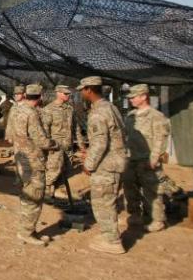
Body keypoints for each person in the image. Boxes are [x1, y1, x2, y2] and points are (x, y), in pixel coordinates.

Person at [77, 76, 128, 255]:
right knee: (109, 201)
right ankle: (110, 236)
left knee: (102, 203)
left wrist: (89, 164)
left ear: (89, 90)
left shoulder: (98, 112)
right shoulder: (111, 107)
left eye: (83, 89)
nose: (82, 93)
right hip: (116, 162)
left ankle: (112, 241)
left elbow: (100, 143)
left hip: (106, 165)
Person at [8, 83, 55, 246]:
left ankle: (28, 229)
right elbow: (40, 139)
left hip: (21, 161)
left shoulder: (17, 111)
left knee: (26, 197)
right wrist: (54, 144)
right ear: (40, 97)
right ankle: (25, 233)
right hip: (33, 162)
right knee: (34, 198)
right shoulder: (32, 114)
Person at [123, 84, 171, 232]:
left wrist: (154, 158)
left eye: (134, 97)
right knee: (130, 190)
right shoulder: (131, 116)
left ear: (144, 96)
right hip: (131, 159)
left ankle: (157, 220)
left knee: (152, 191)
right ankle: (135, 215)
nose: (131, 100)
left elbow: (160, 139)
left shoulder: (156, 116)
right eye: (130, 97)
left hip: (147, 160)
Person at [40, 84, 85, 203]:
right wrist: (48, 146)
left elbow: (76, 128)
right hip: (55, 148)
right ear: (58, 93)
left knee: (67, 170)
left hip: (68, 147)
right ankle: (47, 193)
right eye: (66, 93)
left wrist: (81, 145)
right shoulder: (48, 110)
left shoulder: (70, 109)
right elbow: (45, 131)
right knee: (53, 171)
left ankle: (56, 192)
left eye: (69, 93)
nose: (68, 95)